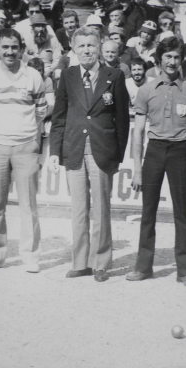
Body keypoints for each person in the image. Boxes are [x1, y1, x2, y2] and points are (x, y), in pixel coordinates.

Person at [49, 26, 130, 282]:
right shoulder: (69, 76)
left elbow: (122, 120)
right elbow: (59, 116)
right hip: (74, 150)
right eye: (81, 45)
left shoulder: (114, 76)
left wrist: (117, 155)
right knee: (79, 209)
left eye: (91, 45)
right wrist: (54, 151)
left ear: (99, 48)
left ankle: (101, 263)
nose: (87, 50)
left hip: (102, 151)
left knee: (101, 209)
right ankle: (80, 261)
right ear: (73, 49)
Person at [125, 36, 186, 288]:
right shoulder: (146, 90)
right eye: (167, 57)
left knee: (183, 213)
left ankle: (185, 270)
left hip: (180, 152)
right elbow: (137, 131)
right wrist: (137, 169)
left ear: (182, 60)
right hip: (155, 151)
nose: (172, 61)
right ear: (159, 60)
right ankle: (143, 266)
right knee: (148, 211)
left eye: (176, 57)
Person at [0, 28, 47, 272]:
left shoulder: (33, 76)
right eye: (5, 47)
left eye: (14, 47)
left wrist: (32, 138)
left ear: (21, 48)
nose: (10, 51)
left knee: (29, 205)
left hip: (26, 145)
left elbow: (41, 111)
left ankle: (30, 255)